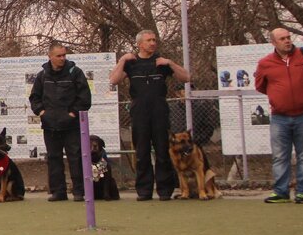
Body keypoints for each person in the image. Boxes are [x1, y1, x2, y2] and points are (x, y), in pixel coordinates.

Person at [108, 30, 191, 201]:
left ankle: (165, 190)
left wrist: (170, 63)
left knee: (162, 151)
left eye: (154, 40)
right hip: (139, 111)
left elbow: (186, 77)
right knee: (142, 152)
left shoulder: (161, 62)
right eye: (149, 40)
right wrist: (122, 60)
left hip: (159, 110)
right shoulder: (131, 63)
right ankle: (144, 191)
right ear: (140, 44)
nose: (153, 43)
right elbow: (114, 80)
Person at [28, 43, 92, 202]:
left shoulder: (75, 73)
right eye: (59, 56)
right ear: (50, 57)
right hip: (50, 125)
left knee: (75, 157)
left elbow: (84, 98)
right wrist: (42, 113)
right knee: (53, 158)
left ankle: (79, 191)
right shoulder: (42, 76)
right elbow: (34, 98)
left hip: (72, 125)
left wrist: (72, 114)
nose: (62, 58)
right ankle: (58, 191)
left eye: (64, 55)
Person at [254, 27, 303, 203]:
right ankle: (281, 192)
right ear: (273, 42)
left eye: (288, 37)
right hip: (279, 117)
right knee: (280, 156)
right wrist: (279, 96)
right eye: (282, 39)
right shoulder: (265, 63)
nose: (287, 41)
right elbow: (260, 86)